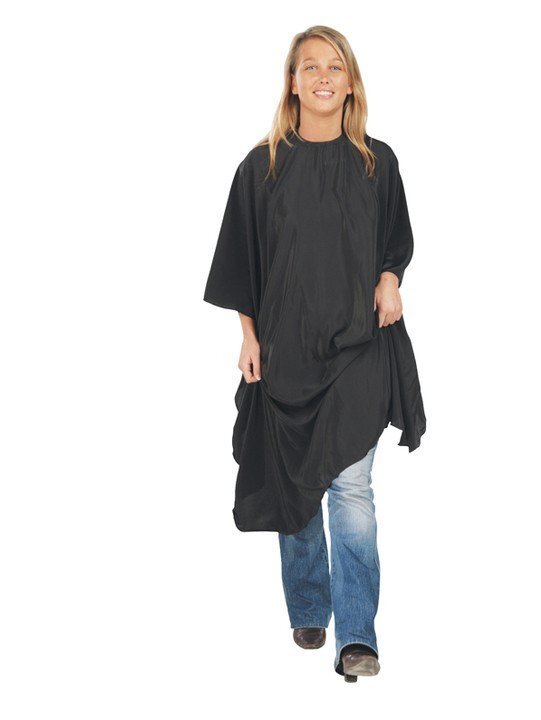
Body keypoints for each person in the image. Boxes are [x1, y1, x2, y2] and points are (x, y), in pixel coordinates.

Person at [203, 26, 427, 681]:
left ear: (350, 83)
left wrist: (390, 277)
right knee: (294, 483)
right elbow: (242, 261)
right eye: (310, 67)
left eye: (335, 67)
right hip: (288, 353)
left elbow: (396, 241)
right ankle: (308, 606)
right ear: (293, 82)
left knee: (351, 489)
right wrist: (249, 338)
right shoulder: (262, 166)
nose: (323, 77)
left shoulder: (377, 162)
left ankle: (357, 637)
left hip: (359, 348)